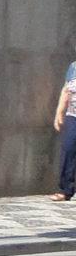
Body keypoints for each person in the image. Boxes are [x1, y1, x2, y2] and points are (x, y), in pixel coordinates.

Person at [51, 55, 76, 202]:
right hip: (73, 116)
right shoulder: (73, 67)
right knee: (68, 149)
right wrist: (59, 113)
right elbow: (66, 91)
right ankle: (65, 190)